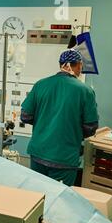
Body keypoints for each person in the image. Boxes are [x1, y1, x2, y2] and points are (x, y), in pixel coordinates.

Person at [20, 49, 99, 186]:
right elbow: (90, 127)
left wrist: (44, 124)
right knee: (59, 201)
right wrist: (73, 131)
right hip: (64, 157)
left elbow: (25, 116)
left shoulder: (41, 84)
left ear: (60, 64)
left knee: (37, 196)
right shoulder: (85, 91)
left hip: (38, 153)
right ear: (79, 65)